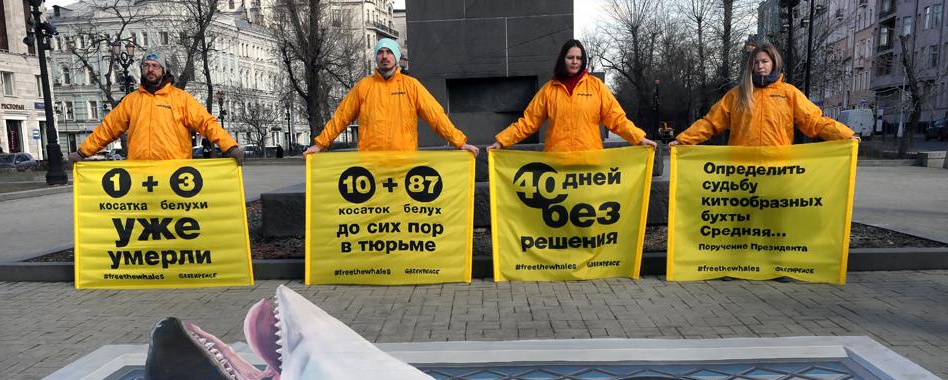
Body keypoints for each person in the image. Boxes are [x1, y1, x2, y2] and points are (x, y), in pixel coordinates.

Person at [304, 38, 478, 156]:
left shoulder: (411, 85)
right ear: (376, 57)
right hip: (371, 164)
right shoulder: (363, 87)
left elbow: (436, 116)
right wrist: (320, 144)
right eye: (380, 52)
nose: (385, 56)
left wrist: (459, 142)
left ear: (397, 57)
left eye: (389, 52)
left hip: (403, 163)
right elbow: (341, 117)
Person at [69, 52, 244, 165]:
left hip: (175, 173)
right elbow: (108, 129)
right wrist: (82, 152)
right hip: (140, 174)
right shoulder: (131, 101)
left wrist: (230, 147)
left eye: (155, 66)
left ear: (163, 70)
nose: (150, 69)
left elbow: (207, 123)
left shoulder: (181, 99)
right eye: (146, 65)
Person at [669, 43, 856, 147]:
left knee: (774, 216)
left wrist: (845, 135)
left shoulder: (789, 93)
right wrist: (682, 140)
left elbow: (814, 121)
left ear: (773, 63)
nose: (760, 66)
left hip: (777, 168)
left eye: (765, 61)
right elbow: (710, 122)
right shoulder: (737, 95)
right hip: (741, 169)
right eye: (756, 62)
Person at [487, 39, 656, 153]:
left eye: (578, 58)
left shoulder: (597, 86)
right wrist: (502, 141)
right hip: (557, 163)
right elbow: (528, 122)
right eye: (570, 57)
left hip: (589, 163)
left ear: (583, 61)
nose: (575, 61)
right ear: (563, 59)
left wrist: (639, 138)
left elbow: (617, 119)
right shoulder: (549, 90)